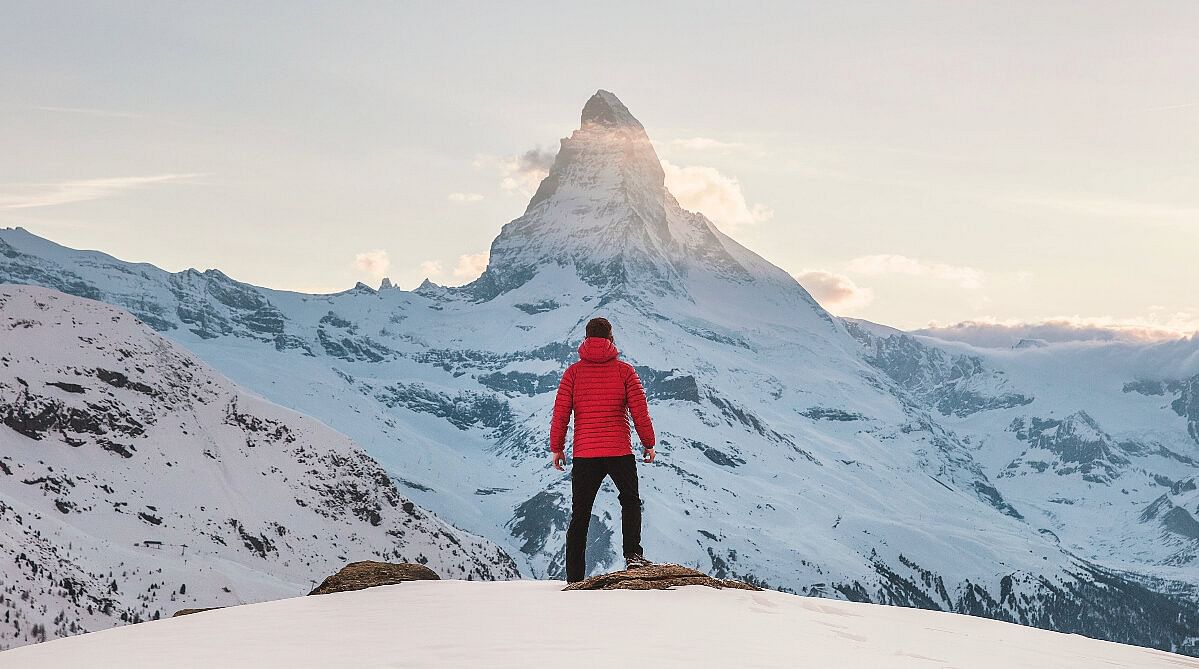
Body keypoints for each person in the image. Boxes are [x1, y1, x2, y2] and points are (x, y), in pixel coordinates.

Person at [551, 316, 657, 583]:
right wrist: (648, 444)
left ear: (585, 338)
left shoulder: (572, 373)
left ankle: (574, 577)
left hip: (586, 454)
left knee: (581, 514)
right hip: (619, 450)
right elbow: (639, 412)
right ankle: (633, 555)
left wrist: (557, 448)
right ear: (611, 338)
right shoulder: (625, 371)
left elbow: (561, 413)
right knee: (630, 501)